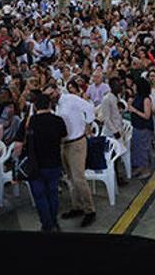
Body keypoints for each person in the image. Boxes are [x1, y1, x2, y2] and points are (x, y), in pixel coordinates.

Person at [16, 93, 67, 232]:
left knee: (39, 195)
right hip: (54, 163)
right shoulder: (58, 120)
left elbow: (18, 145)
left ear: (35, 106)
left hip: (35, 164)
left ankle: (47, 224)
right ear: (50, 105)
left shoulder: (29, 122)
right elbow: (63, 138)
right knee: (53, 193)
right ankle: (54, 220)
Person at [56, 80, 96, 227]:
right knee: (70, 178)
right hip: (64, 144)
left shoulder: (70, 99)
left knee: (78, 178)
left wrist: (88, 124)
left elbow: (89, 107)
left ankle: (90, 210)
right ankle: (77, 206)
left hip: (77, 143)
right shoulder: (54, 106)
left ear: (56, 91)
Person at [128, 77, 154, 180]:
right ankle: (140, 166)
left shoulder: (146, 99)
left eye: (135, 85)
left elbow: (147, 115)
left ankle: (146, 169)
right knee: (136, 148)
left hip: (143, 127)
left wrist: (134, 111)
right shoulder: (137, 97)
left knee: (143, 148)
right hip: (136, 125)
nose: (133, 87)